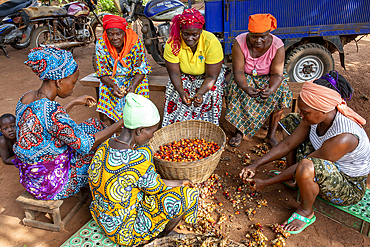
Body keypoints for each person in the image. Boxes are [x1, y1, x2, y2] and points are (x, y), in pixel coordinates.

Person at [240, 71, 370, 234]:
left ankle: (306, 211)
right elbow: (288, 144)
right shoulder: (316, 117)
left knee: (306, 167)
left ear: (323, 110)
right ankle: (295, 181)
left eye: (306, 112)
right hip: (324, 162)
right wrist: (255, 164)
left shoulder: (344, 137)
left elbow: (308, 163)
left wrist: (266, 183)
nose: (302, 115)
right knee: (291, 121)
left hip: (348, 185)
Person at [13, 47, 124, 200]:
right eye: (73, 82)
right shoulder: (51, 111)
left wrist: (73, 102)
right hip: (50, 184)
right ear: (59, 82)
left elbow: (46, 122)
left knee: (94, 124)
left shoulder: (27, 98)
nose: (73, 88)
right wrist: (121, 122)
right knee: (102, 151)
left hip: (32, 177)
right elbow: (86, 144)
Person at [88, 93, 199, 246]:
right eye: (152, 131)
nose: (152, 136)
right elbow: (158, 187)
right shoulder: (136, 162)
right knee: (188, 194)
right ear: (140, 130)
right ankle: (160, 236)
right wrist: (181, 182)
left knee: (145, 150)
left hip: (103, 218)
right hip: (125, 232)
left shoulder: (105, 145)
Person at [225, 14, 292, 147]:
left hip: (270, 76)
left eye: (263, 36)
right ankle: (239, 131)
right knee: (235, 87)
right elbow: (238, 71)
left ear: (269, 33)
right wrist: (245, 87)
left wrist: (271, 89)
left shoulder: (277, 45)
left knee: (281, 91)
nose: (258, 40)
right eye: (254, 36)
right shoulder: (240, 42)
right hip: (246, 75)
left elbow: (277, 74)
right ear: (249, 33)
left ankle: (270, 135)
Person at [162, 8, 228, 127]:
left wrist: (201, 93)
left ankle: (208, 126)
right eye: (186, 34)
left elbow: (212, 76)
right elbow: (174, 74)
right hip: (183, 74)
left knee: (214, 88)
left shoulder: (211, 42)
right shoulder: (172, 43)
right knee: (173, 88)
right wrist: (182, 92)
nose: (190, 38)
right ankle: (178, 126)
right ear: (181, 30)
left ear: (201, 31)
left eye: (195, 34)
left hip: (207, 75)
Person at [95, 15, 151, 124]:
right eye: (111, 34)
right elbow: (102, 73)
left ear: (124, 32)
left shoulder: (134, 42)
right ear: (106, 33)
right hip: (113, 78)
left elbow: (141, 70)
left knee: (141, 89)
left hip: (134, 77)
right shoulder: (101, 44)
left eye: (118, 33)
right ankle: (115, 127)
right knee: (107, 89)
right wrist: (114, 86)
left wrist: (133, 86)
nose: (115, 38)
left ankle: (137, 126)